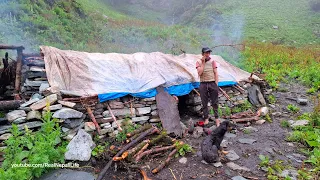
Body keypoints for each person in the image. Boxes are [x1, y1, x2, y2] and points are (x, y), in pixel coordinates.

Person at [196, 47, 220, 126]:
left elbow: (216, 73)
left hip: (212, 83)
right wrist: (203, 63)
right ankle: (206, 118)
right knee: (204, 102)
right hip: (203, 84)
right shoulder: (198, 62)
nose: (207, 54)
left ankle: (217, 119)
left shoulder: (213, 61)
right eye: (206, 53)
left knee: (215, 102)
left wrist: (216, 84)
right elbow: (199, 73)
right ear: (202, 54)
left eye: (209, 53)